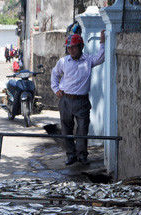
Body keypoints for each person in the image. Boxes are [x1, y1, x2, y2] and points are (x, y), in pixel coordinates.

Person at [50, 30, 105, 166]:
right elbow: (54, 73)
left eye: (74, 47)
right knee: (66, 129)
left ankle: (82, 155)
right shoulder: (63, 62)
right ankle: (71, 155)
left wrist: (102, 42)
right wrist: (56, 89)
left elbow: (101, 57)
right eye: (69, 48)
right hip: (66, 100)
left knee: (82, 129)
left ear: (81, 47)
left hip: (81, 101)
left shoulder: (88, 61)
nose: (71, 50)